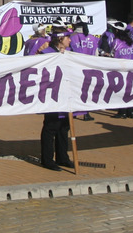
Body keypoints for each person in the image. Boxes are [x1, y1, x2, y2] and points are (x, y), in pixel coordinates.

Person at [39, 25, 76, 171]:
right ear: (60, 39)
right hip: (52, 95)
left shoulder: (70, 52)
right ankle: (47, 159)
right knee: (51, 127)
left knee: (64, 127)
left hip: (66, 95)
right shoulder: (46, 53)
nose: (70, 41)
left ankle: (63, 157)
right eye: (68, 38)